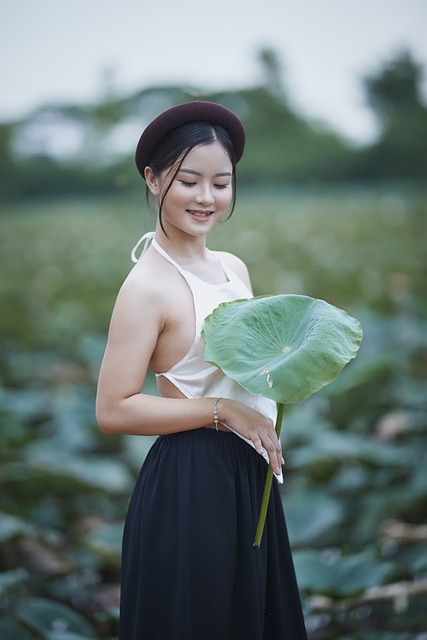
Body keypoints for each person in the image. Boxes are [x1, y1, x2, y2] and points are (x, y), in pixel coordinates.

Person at [96, 101, 307, 639]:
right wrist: (223, 411)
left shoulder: (233, 267)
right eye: (189, 181)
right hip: (191, 480)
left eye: (222, 182)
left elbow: (250, 368)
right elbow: (114, 409)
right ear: (153, 178)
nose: (207, 197)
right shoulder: (146, 288)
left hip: (248, 474)